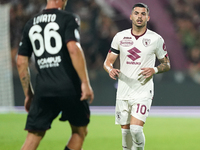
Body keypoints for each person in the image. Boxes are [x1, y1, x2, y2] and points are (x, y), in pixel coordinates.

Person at [16, 0, 94, 150]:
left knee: (33, 137)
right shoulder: (68, 18)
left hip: (43, 89)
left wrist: (28, 94)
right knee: (79, 131)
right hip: (69, 87)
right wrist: (85, 82)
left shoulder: (31, 23)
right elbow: (73, 49)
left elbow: (20, 61)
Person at [103, 3, 170, 150]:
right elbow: (108, 62)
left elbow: (166, 64)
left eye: (143, 14)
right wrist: (110, 70)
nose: (139, 16)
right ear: (131, 16)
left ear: (148, 17)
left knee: (136, 129)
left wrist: (154, 70)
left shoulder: (156, 39)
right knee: (125, 133)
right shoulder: (120, 37)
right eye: (137, 13)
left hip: (143, 90)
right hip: (123, 90)